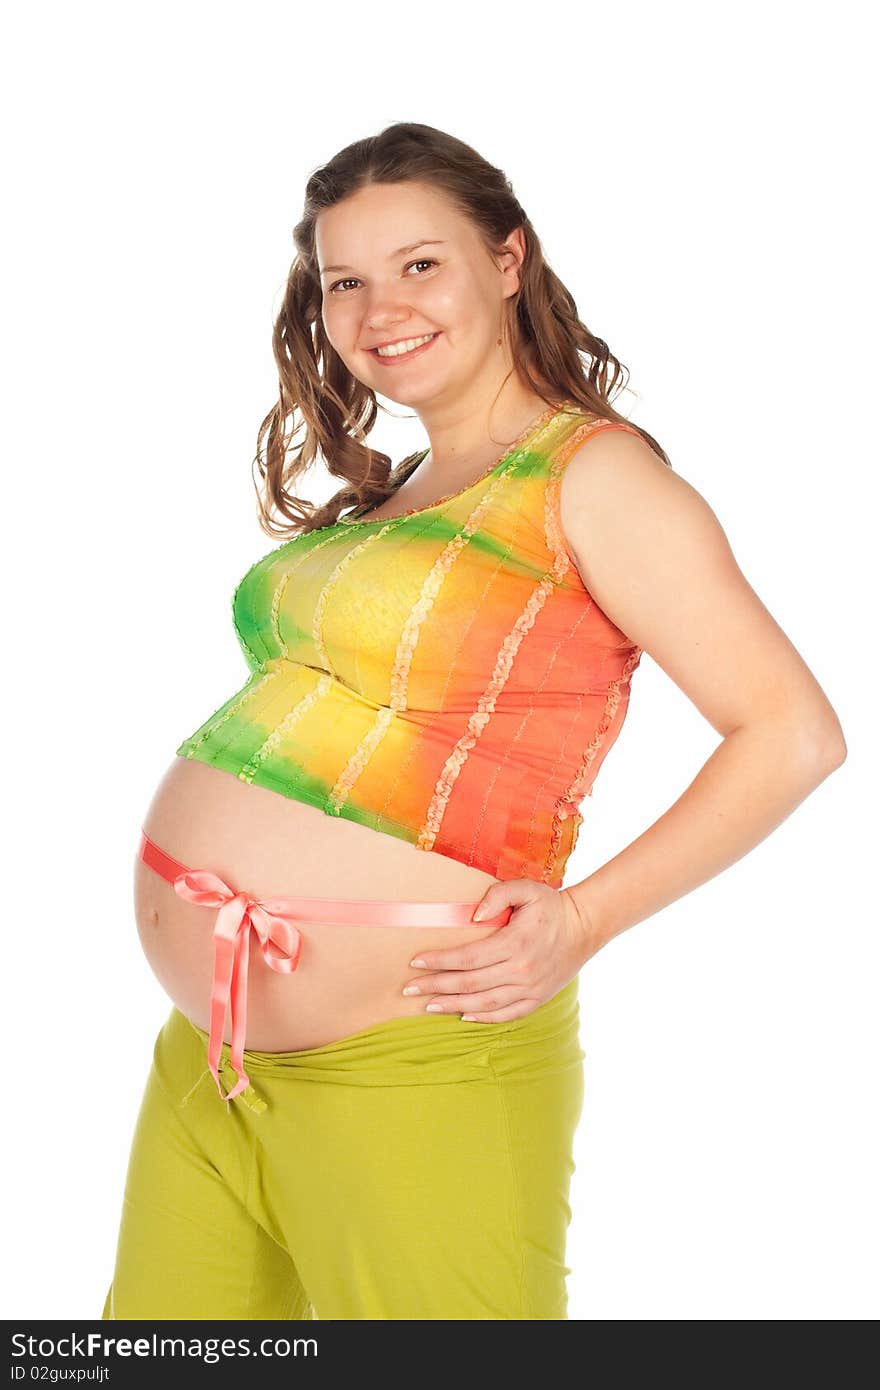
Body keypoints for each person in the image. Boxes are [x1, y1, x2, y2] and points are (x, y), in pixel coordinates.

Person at [101, 121, 847, 1322]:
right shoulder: (400, 489)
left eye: (419, 264)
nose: (377, 306)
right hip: (214, 1059)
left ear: (507, 261)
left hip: (417, 1062)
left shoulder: (591, 479)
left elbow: (791, 732)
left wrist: (583, 919)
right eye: (344, 280)